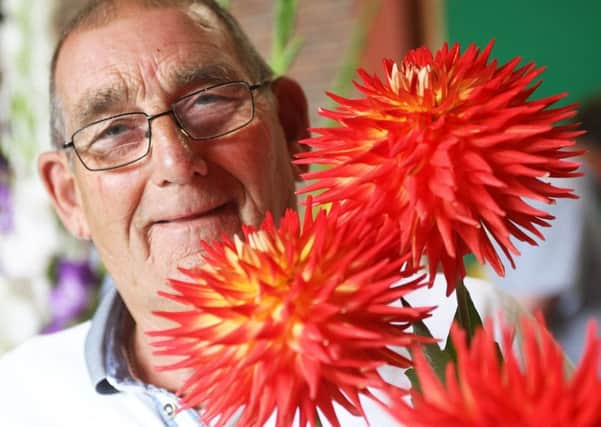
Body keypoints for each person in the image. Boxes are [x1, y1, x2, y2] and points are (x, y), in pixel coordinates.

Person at [0, 1, 522, 426]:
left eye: (207, 100)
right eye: (113, 131)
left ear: (292, 129)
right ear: (69, 196)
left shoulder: (469, 332)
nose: (175, 162)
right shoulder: (19, 401)